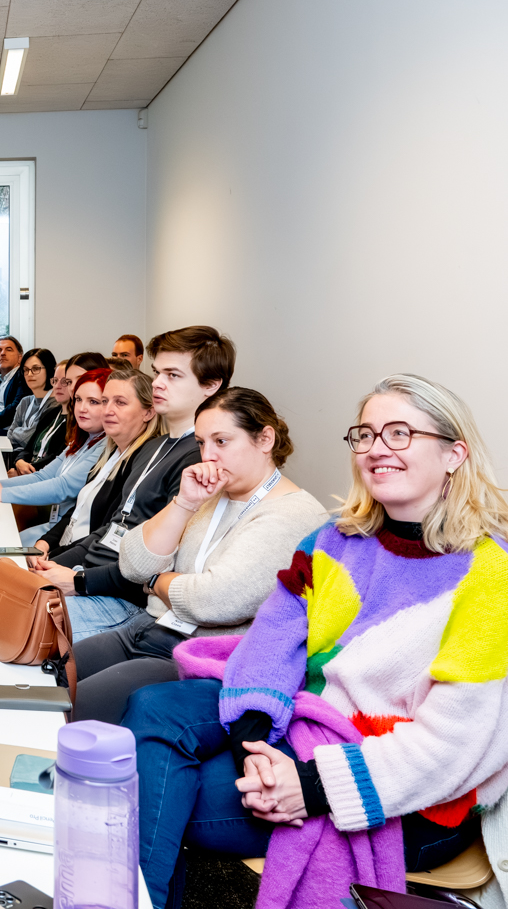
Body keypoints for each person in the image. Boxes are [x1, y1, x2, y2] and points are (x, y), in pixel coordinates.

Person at [123, 376, 508, 908]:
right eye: (365, 434)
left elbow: (453, 747)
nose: (376, 448)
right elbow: (273, 638)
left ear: (453, 454)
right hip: (312, 727)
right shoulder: (333, 539)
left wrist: (311, 786)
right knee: (152, 706)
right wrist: (254, 743)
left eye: (400, 433)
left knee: (161, 794)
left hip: (414, 795)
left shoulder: (490, 574)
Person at [67, 389, 326, 724]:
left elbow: (214, 600)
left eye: (221, 441)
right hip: (152, 628)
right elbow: (134, 565)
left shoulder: (293, 514)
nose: (208, 456)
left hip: (201, 655)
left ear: (265, 439)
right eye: (202, 443)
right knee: (51, 672)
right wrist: (184, 503)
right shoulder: (210, 496)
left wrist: (157, 581)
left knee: (72, 706)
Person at [30, 369, 162, 640]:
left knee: (27, 617)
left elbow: (107, 535)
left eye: (119, 402)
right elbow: (78, 511)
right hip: (77, 559)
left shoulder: (142, 462)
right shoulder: (110, 453)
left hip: (98, 578)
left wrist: (59, 564)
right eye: (104, 401)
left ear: (149, 412)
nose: (107, 410)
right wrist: (46, 546)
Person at [0, 366, 110, 545]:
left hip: (67, 537)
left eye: (93, 402)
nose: (82, 408)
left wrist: (1, 492)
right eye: (78, 399)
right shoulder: (82, 440)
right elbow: (43, 475)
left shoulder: (105, 446)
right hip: (53, 526)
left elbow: (62, 487)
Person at [9, 352, 110, 476]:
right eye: (69, 381)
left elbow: (59, 480)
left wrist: (22, 474)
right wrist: (19, 462)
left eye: (65, 382)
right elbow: (30, 450)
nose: (72, 387)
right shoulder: (51, 413)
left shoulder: (85, 426)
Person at [3, 347, 58, 449]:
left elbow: (34, 440)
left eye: (36, 369)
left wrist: (16, 431)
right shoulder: (25, 401)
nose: (29, 374)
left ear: (49, 369)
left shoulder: (56, 404)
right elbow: (10, 435)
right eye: (26, 370)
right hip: (17, 455)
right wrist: (20, 433)